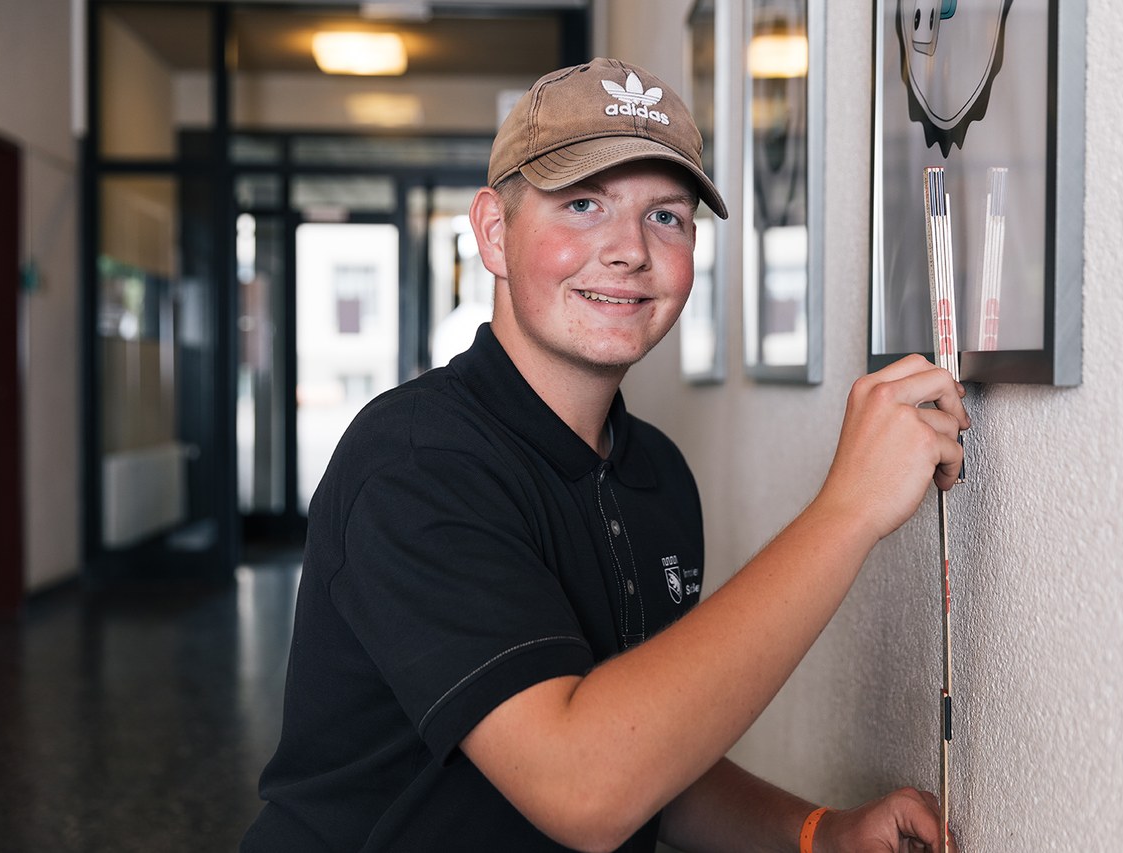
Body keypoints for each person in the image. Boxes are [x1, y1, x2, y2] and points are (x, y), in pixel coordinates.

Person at [242, 57, 968, 853]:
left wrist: (817, 833)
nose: (629, 249)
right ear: (493, 232)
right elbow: (588, 782)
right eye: (583, 203)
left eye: (667, 216)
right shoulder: (415, 462)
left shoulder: (652, 472)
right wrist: (848, 510)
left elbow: (652, 748)